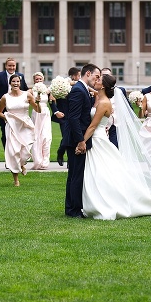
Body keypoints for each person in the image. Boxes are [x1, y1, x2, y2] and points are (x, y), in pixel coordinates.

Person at [80, 73, 151, 220]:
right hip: (99, 139)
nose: (95, 80)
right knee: (99, 172)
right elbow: (89, 90)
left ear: (103, 85)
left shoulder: (104, 103)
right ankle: (94, 202)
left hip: (98, 139)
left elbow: (92, 126)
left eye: (98, 79)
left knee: (101, 173)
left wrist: (82, 142)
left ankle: (106, 203)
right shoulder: (99, 96)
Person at [63, 63, 100, 217]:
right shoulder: (78, 90)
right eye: (96, 76)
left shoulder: (83, 89)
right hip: (76, 141)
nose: (97, 80)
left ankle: (73, 207)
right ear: (88, 73)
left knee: (75, 175)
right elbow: (74, 118)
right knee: (76, 175)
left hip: (78, 139)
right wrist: (80, 141)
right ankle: (73, 210)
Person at [0, 74, 41, 186]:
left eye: (17, 81)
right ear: (10, 83)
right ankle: (16, 180)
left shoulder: (27, 95)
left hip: (25, 126)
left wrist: (38, 102)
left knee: (25, 149)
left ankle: (21, 164)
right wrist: (6, 117)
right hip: (12, 126)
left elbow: (38, 110)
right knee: (13, 152)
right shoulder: (5, 97)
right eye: (13, 81)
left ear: (20, 83)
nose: (15, 83)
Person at [0, 58, 28, 148]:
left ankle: (17, 155)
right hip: (3, 110)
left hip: (17, 109)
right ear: (6, 66)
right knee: (5, 132)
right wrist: (0, 102)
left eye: (13, 65)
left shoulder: (20, 76)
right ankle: (8, 156)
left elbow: (25, 90)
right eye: (9, 65)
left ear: (15, 66)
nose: (11, 67)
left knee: (18, 133)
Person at [30, 72, 57, 170]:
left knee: (46, 136)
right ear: (34, 81)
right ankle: (37, 161)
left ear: (43, 79)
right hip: (36, 113)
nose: (38, 81)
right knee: (36, 136)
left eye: (40, 79)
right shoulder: (31, 91)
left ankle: (45, 161)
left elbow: (52, 103)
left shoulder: (48, 90)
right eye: (36, 79)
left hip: (45, 113)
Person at [54, 68, 76, 167]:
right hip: (63, 115)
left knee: (72, 137)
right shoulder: (62, 83)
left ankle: (70, 161)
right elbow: (52, 100)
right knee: (66, 137)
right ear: (74, 76)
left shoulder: (76, 85)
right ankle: (61, 152)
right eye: (78, 75)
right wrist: (56, 111)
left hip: (73, 115)